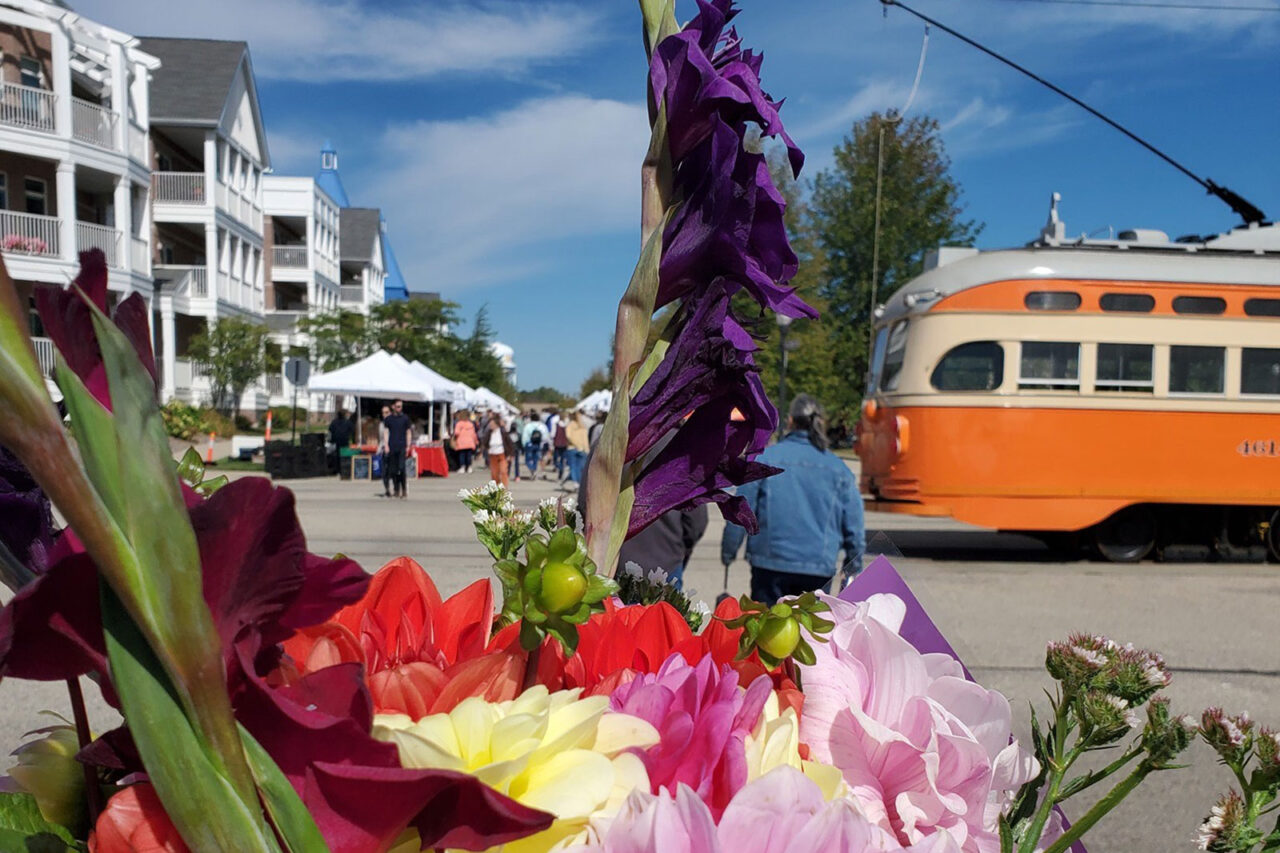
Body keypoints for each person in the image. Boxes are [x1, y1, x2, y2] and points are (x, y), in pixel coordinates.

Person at [720, 394, 865, 605]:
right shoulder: (838, 469)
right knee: (810, 634)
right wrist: (854, 565)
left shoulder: (765, 459)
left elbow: (740, 510)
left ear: (790, 421)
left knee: (768, 630)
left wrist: (729, 551)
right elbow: (854, 525)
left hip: (769, 565)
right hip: (817, 567)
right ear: (820, 422)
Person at [381, 399, 412, 499]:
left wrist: (408, 445)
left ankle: (404, 490)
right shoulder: (389, 419)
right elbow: (385, 432)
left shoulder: (405, 418)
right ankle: (396, 489)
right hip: (392, 446)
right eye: (398, 406)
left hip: (402, 446)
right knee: (393, 470)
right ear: (393, 407)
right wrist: (386, 445)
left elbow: (408, 432)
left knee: (402, 468)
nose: (400, 408)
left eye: (401, 406)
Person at [479, 412, 515, 487]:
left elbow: (510, 444)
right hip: (492, 455)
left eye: (492, 424)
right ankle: (496, 486)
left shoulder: (503, 432)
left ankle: (504, 487)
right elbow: (484, 443)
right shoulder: (489, 433)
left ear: (496, 424)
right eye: (490, 424)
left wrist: (511, 455)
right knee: (494, 473)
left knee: (503, 471)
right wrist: (481, 452)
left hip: (502, 454)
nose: (490, 426)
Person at [564, 411, 589, 488]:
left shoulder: (570, 425)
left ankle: (576, 483)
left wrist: (576, 444)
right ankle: (580, 482)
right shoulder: (583, 426)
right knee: (581, 467)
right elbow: (585, 439)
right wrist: (586, 448)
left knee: (573, 466)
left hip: (572, 448)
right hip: (582, 449)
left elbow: (568, 436)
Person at [327, 409, 354, 474]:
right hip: (344, 440)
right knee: (344, 455)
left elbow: (330, 430)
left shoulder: (334, 422)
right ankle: (344, 469)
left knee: (337, 455)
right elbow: (352, 430)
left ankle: (338, 469)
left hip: (336, 441)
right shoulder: (347, 422)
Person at [521, 412, 545, 479]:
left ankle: (532, 470)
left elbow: (524, 436)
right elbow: (545, 436)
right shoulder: (542, 426)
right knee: (535, 459)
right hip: (538, 444)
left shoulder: (528, 426)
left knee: (527, 460)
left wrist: (523, 445)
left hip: (529, 444)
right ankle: (534, 470)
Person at [377, 405, 392, 495]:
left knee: (392, 470)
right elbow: (380, 438)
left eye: (386, 412)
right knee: (384, 471)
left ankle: (395, 487)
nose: (384, 415)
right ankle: (387, 488)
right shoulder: (381, 424)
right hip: (383, 449)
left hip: (393, 448)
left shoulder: (394, 423)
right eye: (383, 413)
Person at [551, 412, 569, 482]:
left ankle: (559, 469)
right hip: (564, 444)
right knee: (562, 459)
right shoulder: (567, 425)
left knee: (555, 460)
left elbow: (552, 434)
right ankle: (561, 472)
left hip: (557, 444)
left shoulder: (555, 425)